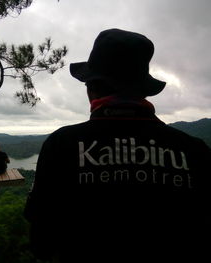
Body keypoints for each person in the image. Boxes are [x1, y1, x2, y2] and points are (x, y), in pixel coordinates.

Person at [24, 28, 211, 262]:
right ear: (144, 90)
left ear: (90, 88)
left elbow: (41, 243)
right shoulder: (194, 150)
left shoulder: (61, 145)